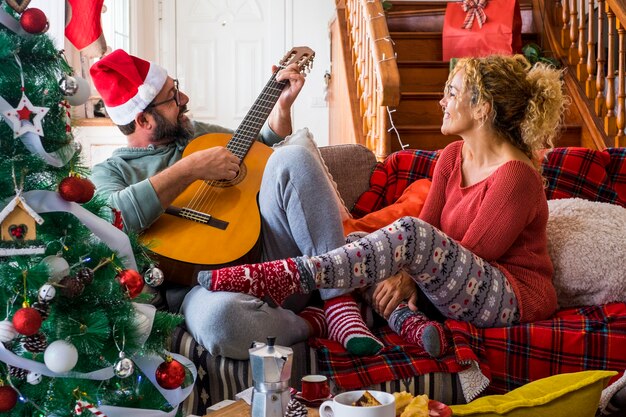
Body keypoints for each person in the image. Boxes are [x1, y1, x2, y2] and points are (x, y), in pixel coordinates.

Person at [196, 54, 567, 358]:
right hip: (449, 286)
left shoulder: (516, 176)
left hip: (508, 296)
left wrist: (404, 274)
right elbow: (432, 226)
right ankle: (398, 320)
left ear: (483, 107)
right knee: (386, 254)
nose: (442, 101)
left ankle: (291, 275)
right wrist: (395, 275)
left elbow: (470, 253)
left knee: (407, 235)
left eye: (452, 93)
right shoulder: (454, 156)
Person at [88, 49, 383, 359]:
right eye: (172, 97)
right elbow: (110, 218)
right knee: (221, 323)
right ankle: (314, 323)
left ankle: (338, 301)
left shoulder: (196, 132)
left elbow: (265, 150)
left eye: (176, 88)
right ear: (144, 120)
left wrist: (281, 107)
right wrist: (190, 169)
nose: (184, 98)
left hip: (272, 259)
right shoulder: (111, 171)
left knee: (293, 156)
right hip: (199, 287)